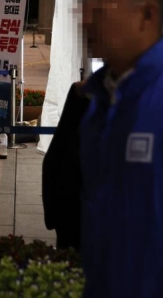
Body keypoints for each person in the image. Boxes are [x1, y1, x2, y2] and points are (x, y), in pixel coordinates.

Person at [79, 0, 163, 297]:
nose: (85, 20)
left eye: (100, 6)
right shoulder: (99, 99)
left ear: (147, 15)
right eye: (83, 7)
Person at [41, 82, 89, 251]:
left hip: (69, 212)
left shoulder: (83, 92)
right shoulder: (84, 92)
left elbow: (51, 161)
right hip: (78, 212)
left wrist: (51, 216)